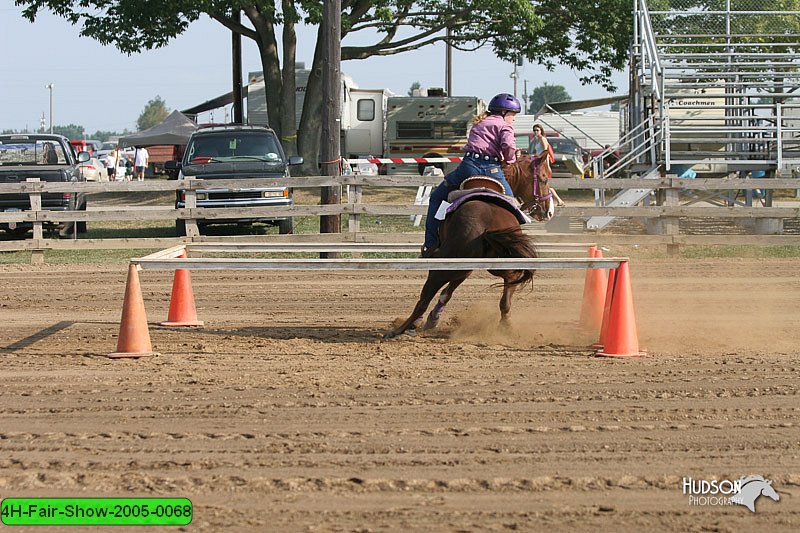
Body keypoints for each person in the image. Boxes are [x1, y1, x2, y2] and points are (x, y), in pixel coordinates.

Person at [421, 93, 521, 256]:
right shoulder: (505, 126)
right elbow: (508, 146)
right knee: (513, 206)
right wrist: (510, 160)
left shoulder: (479, 123)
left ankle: (431, 243)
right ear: (503, 112)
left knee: (437, 198)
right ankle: (514, 248)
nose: (514, 119)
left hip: (468, 167)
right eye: (513, 114)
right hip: (492, 170)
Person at [530, 124, 565, 207]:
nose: (536, 132)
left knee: (545, 183)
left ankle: (558, 200)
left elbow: (546, 153)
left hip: (543, 163)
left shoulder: (542, 139)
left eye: (537, 130)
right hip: (539, 162)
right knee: (543, 183)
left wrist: (547, 166)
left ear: (541, 131)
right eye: (534, 130)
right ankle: (558, 200)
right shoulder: (537, 140)